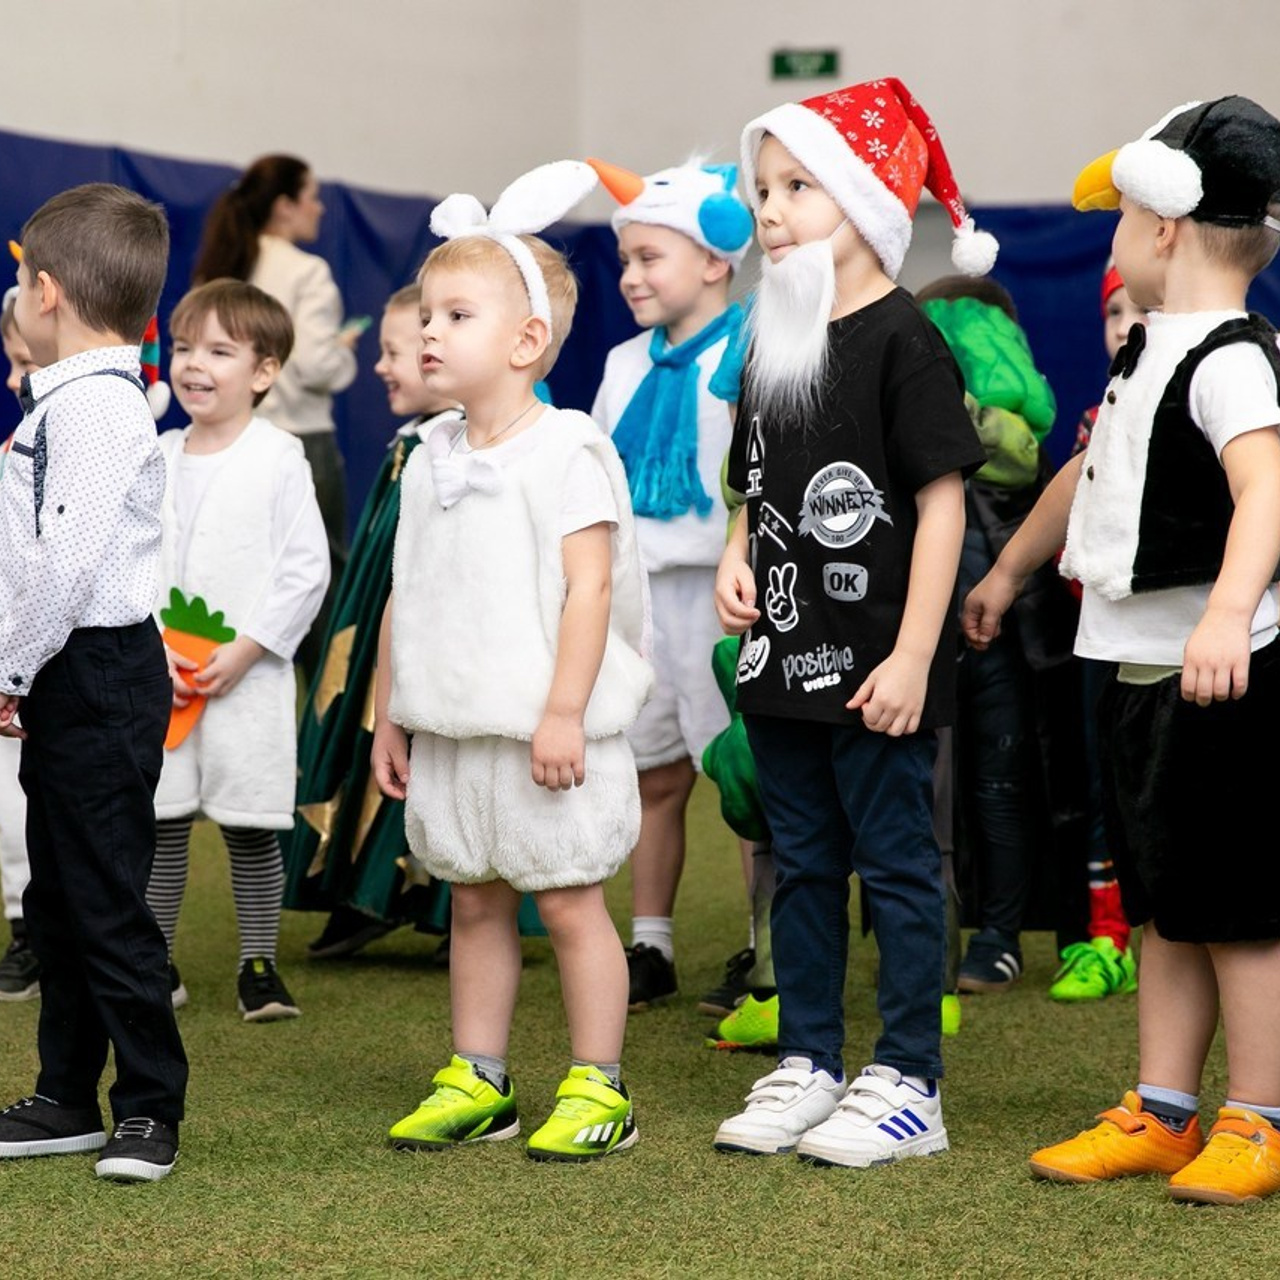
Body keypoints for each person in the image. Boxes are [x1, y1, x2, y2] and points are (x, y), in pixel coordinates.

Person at [965, 95, 1280, 1205]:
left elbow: (1266, 489)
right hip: (1137, 667)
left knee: (1236, 909)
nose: (1106, 235)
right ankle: (1162, 1107)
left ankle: (1257, 1115)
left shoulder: (1231, 361)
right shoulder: (1148, 350)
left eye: (1116, 214)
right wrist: (1005, 574)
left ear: (1161, 229)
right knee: (1161, 901)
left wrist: (1226, 612)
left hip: (1216, 675)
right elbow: (1083, 477)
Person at [712, 78, 989, 1167]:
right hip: (782, 664)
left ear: (868, 202)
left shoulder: (903, 340)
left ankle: (908, 1078)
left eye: (796, 187)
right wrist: (738, 555)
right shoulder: (767, 337)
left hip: (878, 667)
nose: (770, 210)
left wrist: (914, 651)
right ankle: (810, 1056)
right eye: (761, 190)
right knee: (801, 861)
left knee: (898, 866)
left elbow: (941, 501)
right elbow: (752, 482)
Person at [374, 161, 653, 1162]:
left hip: (545, 730)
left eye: (455, 314)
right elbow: (408, 585)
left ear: (527, 340)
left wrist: (563, 710)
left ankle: (598, 1084)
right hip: (450, 725)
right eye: (427, 313)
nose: (429, 332)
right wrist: (391, 711)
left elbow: (592, 586)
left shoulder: (565, 451)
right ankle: (479, 1075)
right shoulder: (428, 454)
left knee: (571, 899)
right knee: (475, 897)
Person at [0, 183, 187, 1182]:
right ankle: (66, 1094)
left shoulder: (96, 409)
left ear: (47, 291)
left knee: (106, 897)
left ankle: (149, 1105)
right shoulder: (71, 400)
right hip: (67, 671)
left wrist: (10, 665)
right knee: (61, 896)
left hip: (98, 665)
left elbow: (62, 563)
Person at [588, 157, 753, 1011]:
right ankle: (649, 942)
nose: (630, 277)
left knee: (747, 774)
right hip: (641, 600)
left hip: (729, 601)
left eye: (650, 258)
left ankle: (764, 951)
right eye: (625, 261)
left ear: (716, 261)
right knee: (654, 774)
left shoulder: (753, 347)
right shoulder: (621, 364)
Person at [145, 279, 328, 1022]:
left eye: (219, 350)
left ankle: (258, 962)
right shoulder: (153, 454)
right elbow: (131, 560)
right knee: (159, 821)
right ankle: (152, 961)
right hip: (162, 674)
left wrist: (250, 649)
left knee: (252, 823)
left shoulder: (279, 457)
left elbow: (304, 566)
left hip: (246, 676)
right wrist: (147, 644)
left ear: (261, 371)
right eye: (185, 347)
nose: (195, 364)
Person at [913, 275, 1080, 996]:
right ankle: (928, 931)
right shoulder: (905, 425)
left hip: (1006, 643)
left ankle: (1001, 935)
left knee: (1001, 786)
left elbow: (1017, 462)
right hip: (921, 646)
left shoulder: (1012, 430)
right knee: (926, 795)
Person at [284, 284, 459, 958]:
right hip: (379, 641)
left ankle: (443, 901)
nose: (381, 367)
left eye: (394, 353)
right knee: (371, 746)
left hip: (437, 648)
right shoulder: (409, 445)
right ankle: (366, 889)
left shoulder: (452, 453)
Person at [191, 154, 358, 678]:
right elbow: (310, 364)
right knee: (321, 581)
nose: (321, 207)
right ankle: (323, 725)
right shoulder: (308, 272)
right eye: (311, 195)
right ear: (285, 206)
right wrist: (343, 350)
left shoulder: (226, 265)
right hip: (301, 440)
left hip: (231, 443)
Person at [1048, 259, 1146, 1002]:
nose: (1124, 325)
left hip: (1177, 640)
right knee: (1098, 776)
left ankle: (1176, 930)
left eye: (1137, 310)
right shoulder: (1095, 416)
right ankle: (1106, 938)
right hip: (1100, 631)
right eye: (1114, 313)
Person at [0, 291, 38, 1002]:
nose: (13, 379)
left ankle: (43, 931)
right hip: (10, 656)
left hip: (48, 667)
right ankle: (22, 931)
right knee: (8, 807)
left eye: (25, 362)